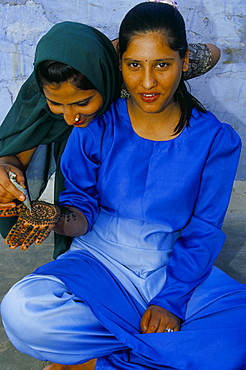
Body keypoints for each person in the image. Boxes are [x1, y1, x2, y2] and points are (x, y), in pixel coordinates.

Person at [1, 2, 246, 370]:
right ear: (120, 67)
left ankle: (92, 363)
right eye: (135, 65)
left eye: (162, 64)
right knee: (22, 310)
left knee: (239, 336)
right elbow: (81, 207)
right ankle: (162, 351)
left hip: (173, 268)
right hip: (99, 260)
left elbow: (203, 231)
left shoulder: (216, 140)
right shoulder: (96, 126)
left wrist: (171, 302)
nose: (147, 82)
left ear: (184, 61)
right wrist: (57, 216)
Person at [0, 11, 220, 259]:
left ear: (106, 78)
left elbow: (212, 52)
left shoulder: (132, 87)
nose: (70, 117)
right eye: (57, 104)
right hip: (92, 232)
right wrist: (7, 170)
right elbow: (16, 153)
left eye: (83, 102)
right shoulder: (45, 99)